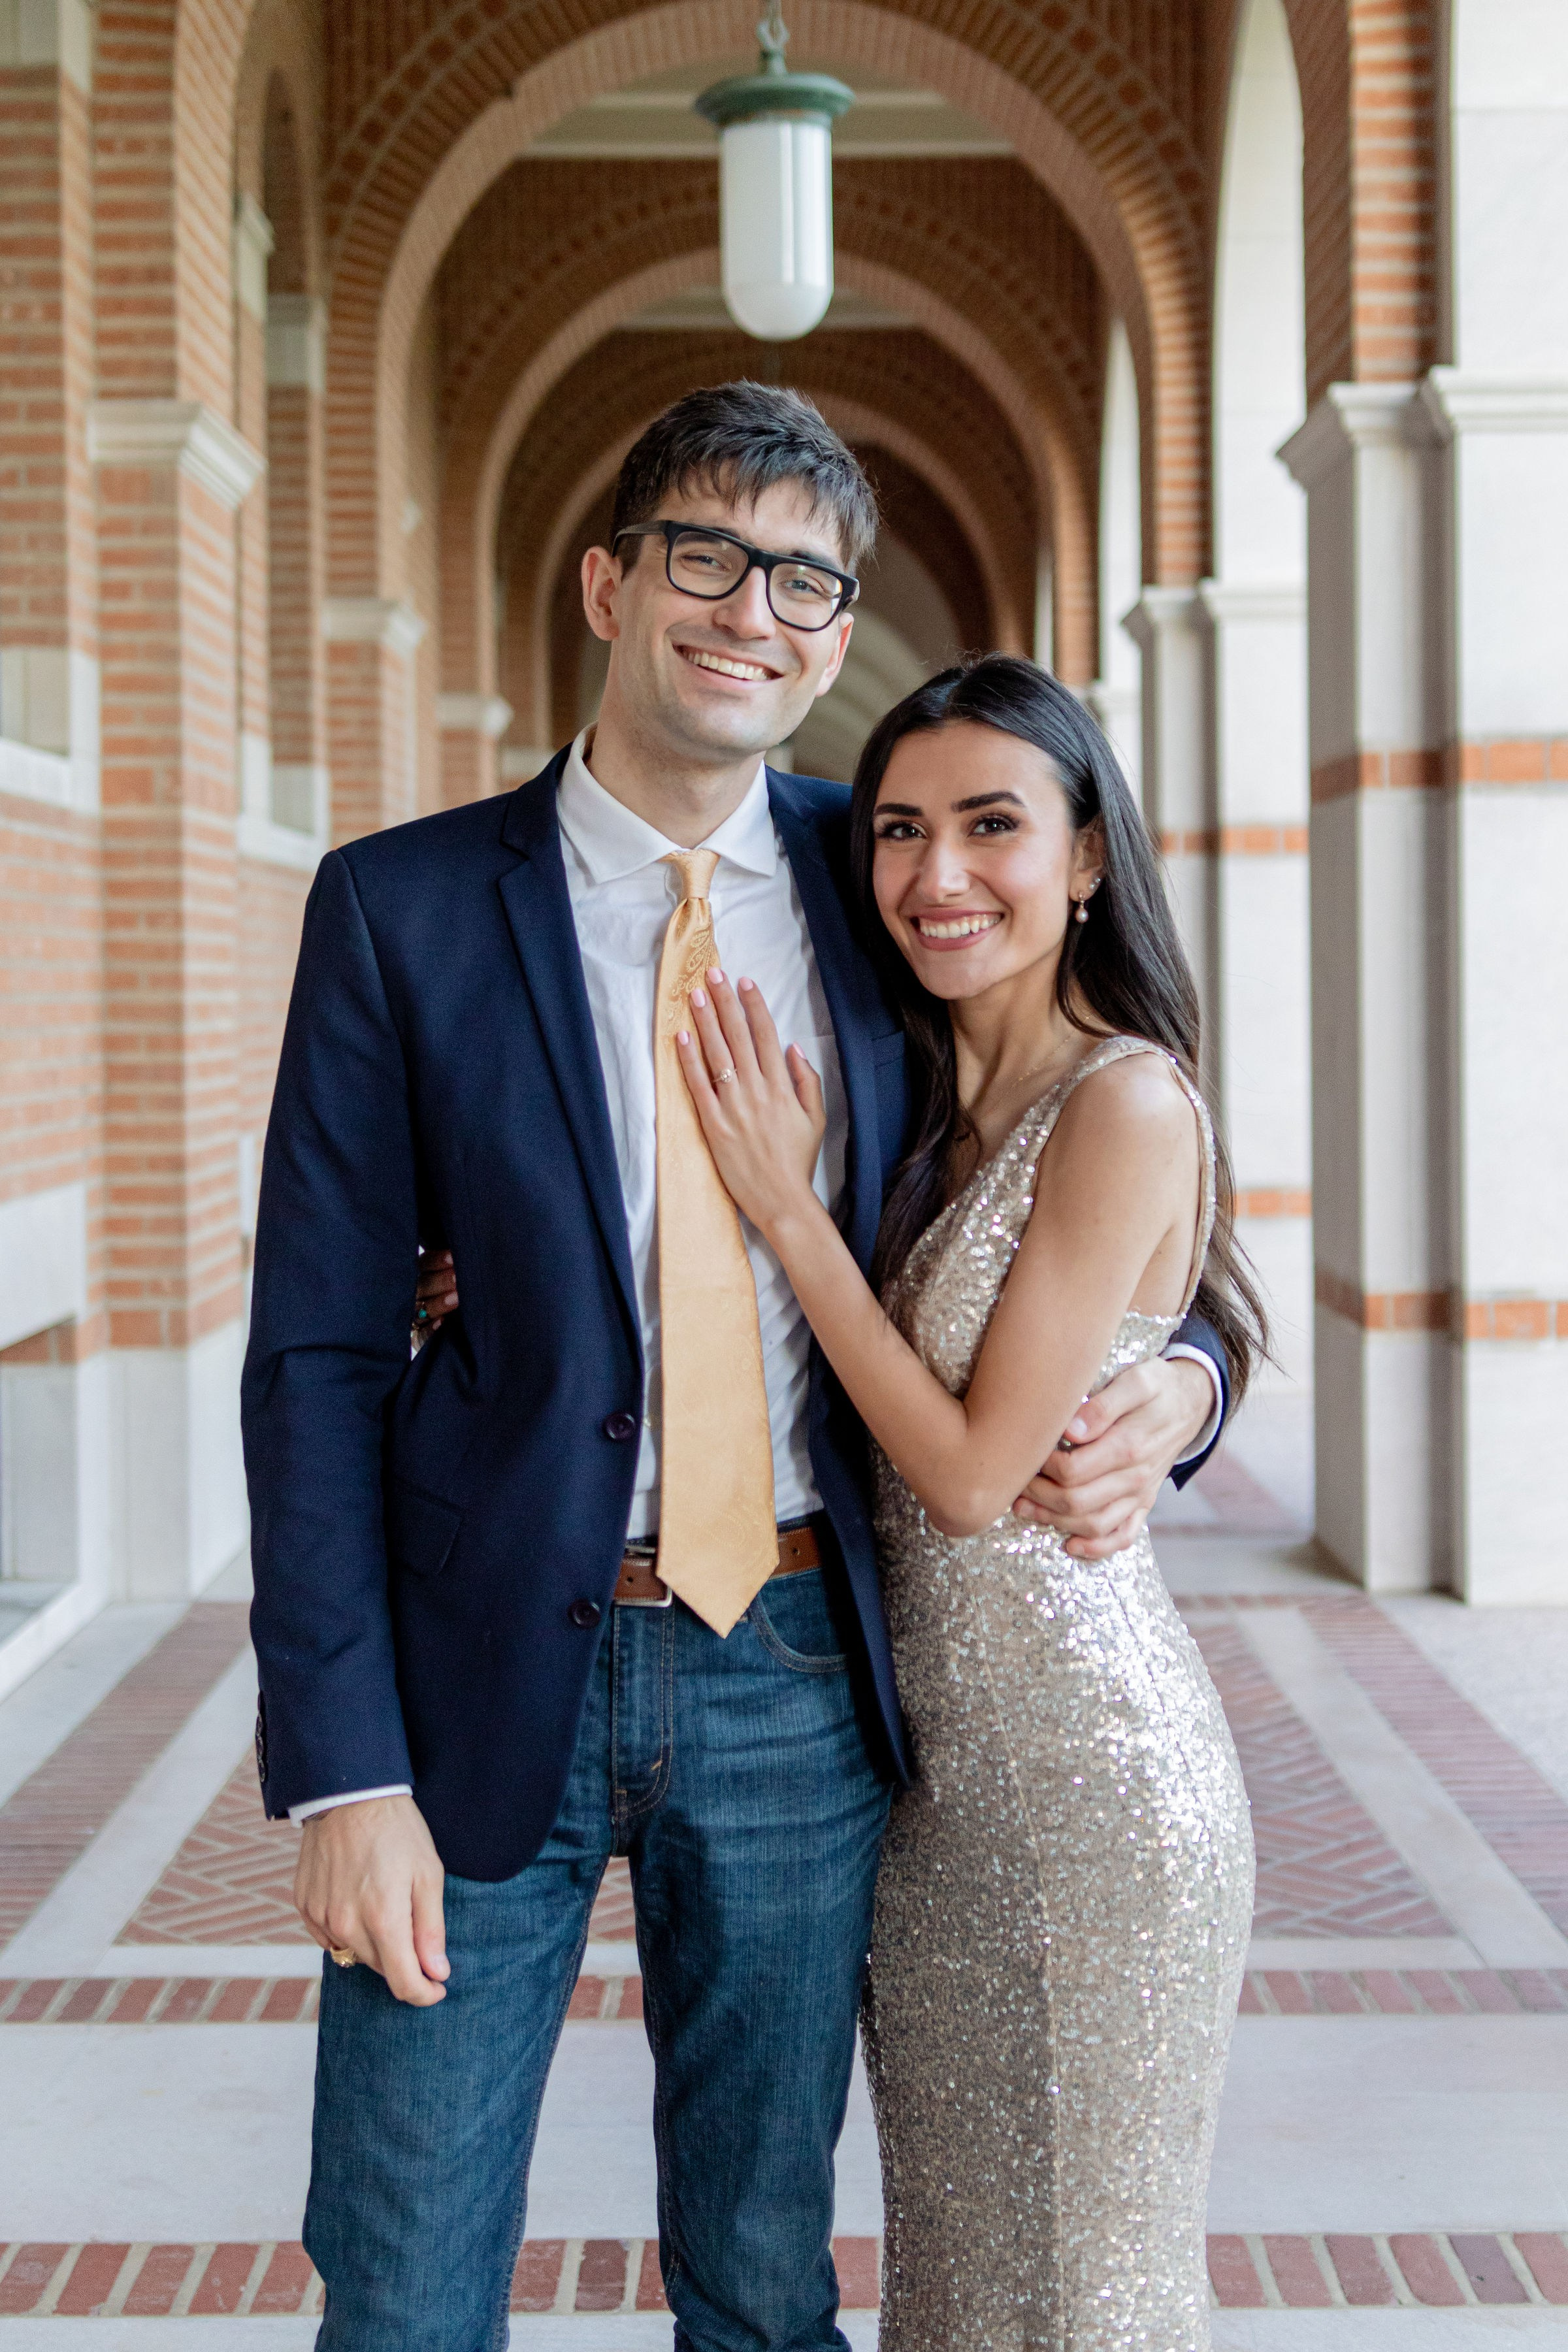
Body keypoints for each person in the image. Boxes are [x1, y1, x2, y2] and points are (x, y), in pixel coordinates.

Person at [242, 384, 1230, 2352]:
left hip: (795, 1664)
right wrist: (337, 1769)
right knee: (407, 2270)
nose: (752, 608)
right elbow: (319, 1353)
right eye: (708, 553)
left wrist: (1183, 1382)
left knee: (767, 2283)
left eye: (805, 577)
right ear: (613, 584)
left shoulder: (889, 898)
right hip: (466, 1682)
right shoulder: (405, 907)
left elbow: (1102, 1170)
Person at [674, 653, 1261, 2351]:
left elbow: (975, 1469)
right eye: (902, 831)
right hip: (932, 1813)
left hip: (1094, 1796)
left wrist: (787, 1212)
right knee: (960, 2290)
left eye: (993, 827)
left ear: (1086, 859)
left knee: (1092, 2290)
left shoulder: (1127, 1099)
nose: (939, 877)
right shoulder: (915, 1095)